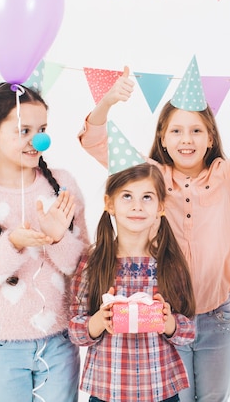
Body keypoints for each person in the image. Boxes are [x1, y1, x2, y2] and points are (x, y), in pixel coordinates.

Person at [78, 63, 230, 401]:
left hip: (218, 315)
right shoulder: (152, 177)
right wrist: (106, 103)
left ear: (211, 138)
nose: (187, 140)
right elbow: (95, 142)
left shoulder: (228, 173)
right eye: (176, 131)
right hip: (167, 313)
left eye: (196, 131)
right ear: (163, 139)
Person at [0, 82, 89, 402]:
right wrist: (11, 244)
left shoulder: (63, 185)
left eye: (41, 128)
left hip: (59, 341)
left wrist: (57, 239)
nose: (37, 139)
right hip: (2, 346)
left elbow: (84, 269)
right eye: (23, 130)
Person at [69, 162, 196, 402]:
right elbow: (76, 330)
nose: (137, 206)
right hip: (108, 388)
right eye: (127, 196)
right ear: (110, 204)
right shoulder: (93, 262)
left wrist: (169, 322)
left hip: (160, 389)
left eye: (147, 197)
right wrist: (98, 321)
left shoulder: (169, 264)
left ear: (160, 207)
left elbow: (189, 330)